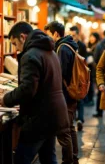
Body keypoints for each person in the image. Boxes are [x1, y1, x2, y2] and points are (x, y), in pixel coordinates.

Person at [0, 22, 70, 164]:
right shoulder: (49, 50)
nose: (16, 48)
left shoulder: (31, 55)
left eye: (15, 44)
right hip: (54, 114)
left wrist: (5, 99)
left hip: (39, 118)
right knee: (48, 158)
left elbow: (27, 90)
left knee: (21, 159)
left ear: (22, 37)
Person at [45, 21, 79, 164]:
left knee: (64, 130)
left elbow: (60, 73)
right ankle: (74, 157)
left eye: (48, 35)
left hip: (65, 94)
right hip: (71, 91)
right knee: (70, 127)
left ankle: (68, 160)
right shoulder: (69, 45)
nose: (47, 38)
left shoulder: (62, 48)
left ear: (56, 34)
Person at [69, 26, 87, 131]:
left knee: (80, 98)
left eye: (74, 35)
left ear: (78, 35)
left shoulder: (82, 46)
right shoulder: (68, 45)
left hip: (80, 76)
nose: (72, 37)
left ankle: (80, 119)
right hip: (71, 76)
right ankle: (74, 119)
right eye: (70, 35)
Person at [93, 30, 105, 117]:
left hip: (102, 72)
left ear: (103, 35)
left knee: (100, 92)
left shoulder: (100, 44)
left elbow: (95, 57)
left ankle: (99, 111)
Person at [85, 32, 101, 106]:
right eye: (90, 36)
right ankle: (88, 98)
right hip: (88, 67)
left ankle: (91, 99)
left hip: (93, 68)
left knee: (91, 84)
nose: (91, 38)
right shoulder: (89, 45)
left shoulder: (97, 46)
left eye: (93, 37)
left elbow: (96, 58)